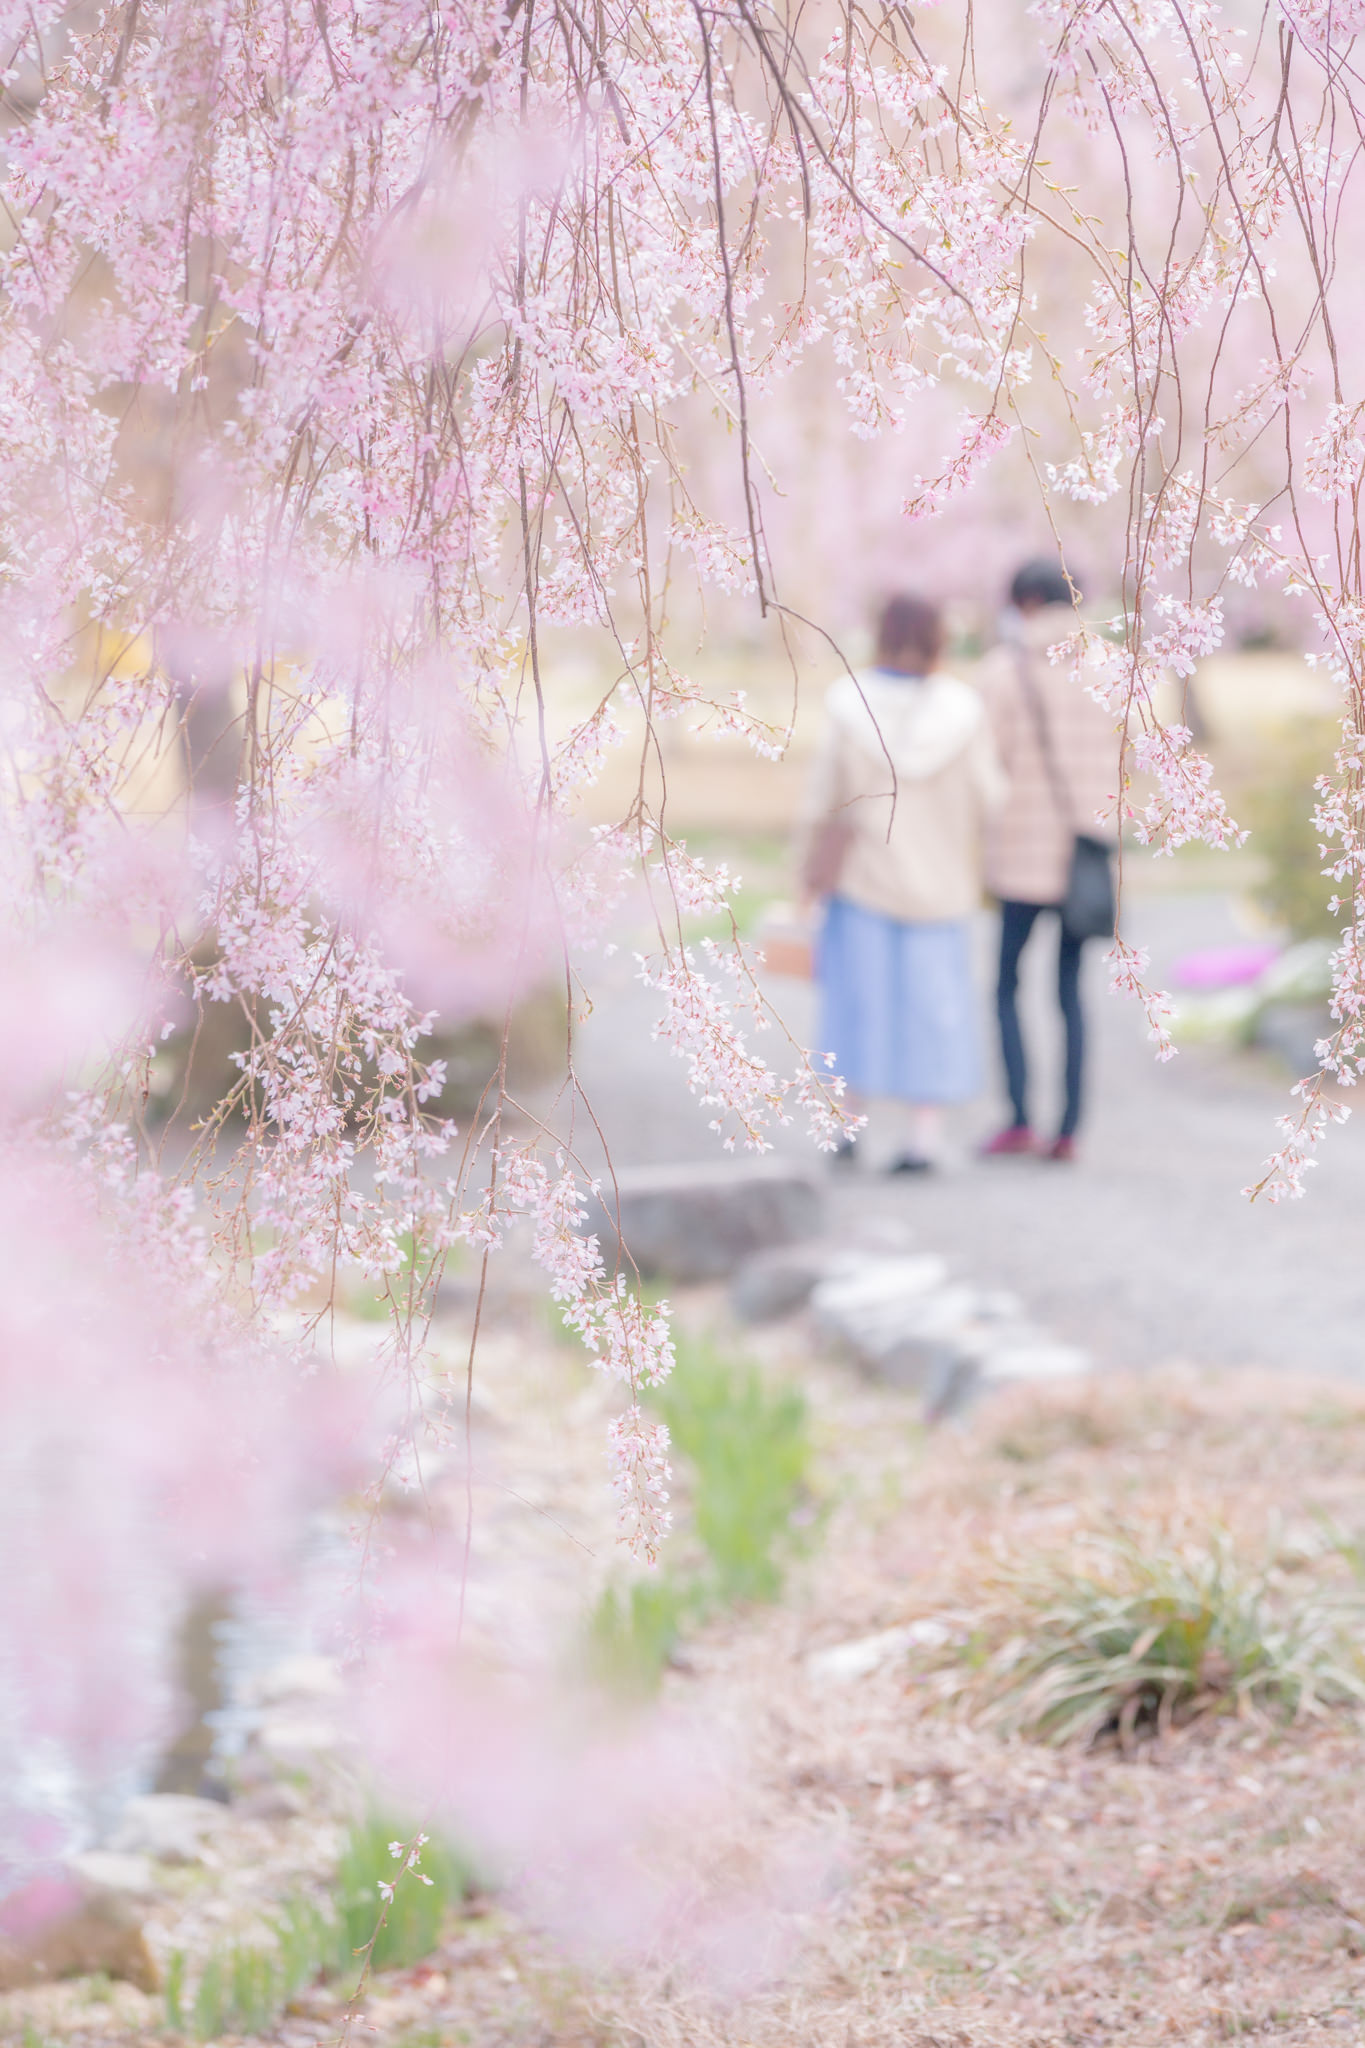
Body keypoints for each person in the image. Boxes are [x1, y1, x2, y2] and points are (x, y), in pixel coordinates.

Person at [799, 593, 1004, 1172]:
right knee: (933, 1011)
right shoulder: (962, 712)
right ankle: (923, 1139)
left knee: (856, 1004)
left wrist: (806, 873)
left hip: (863, 881)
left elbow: (822, 800)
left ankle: (847, 1126)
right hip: (941, 887)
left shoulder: (849, 705)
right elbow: (990, 797)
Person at [977, 560, 1116, 1163]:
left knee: (1006, 985)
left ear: (1027, 603)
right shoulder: (1112, 668)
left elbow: (985, 764)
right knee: (1069, 992)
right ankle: (1068, 1131)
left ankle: (1018, 1119)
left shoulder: (1003, 671)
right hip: (1084, 855)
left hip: (1020, 856)